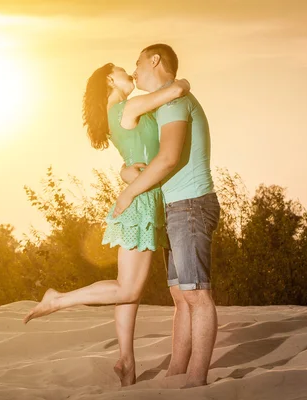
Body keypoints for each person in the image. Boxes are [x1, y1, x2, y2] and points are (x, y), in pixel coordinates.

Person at [23, 62, 190, 386]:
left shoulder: (119, 115)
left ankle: (126, 362)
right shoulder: (127, 107)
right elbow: (177, 89)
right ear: (110, 79)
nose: (131, 74)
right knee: (127, 289)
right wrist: (180, 80)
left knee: (127, 288)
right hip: (140, 204)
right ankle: (58, 299)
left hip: (140, 199)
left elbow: (132, 159)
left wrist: (127, 172)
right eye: (124, 70)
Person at [113, 44, 221, 388]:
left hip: (190, 205)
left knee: (197, 295)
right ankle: (177, 374)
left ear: (155, 60)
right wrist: (125, 171)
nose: (134, 70)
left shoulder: (173, 102)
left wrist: (128, 193)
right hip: (177, 207)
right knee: (181, 295)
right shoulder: (165, 103)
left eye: (138, 62)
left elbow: (169, 158)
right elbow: (151, 158)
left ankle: (196, 382)